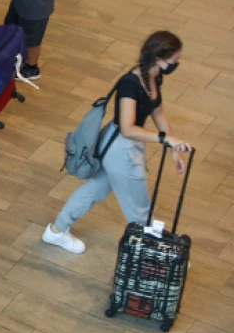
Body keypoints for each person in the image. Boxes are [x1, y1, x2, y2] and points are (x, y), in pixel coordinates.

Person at [43, 31, 192, 254]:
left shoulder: (153, 76)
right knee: (139, 209)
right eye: (174, 61)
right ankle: (150, 256)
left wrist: (172, 149)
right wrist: (164, 138)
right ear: (159, 59)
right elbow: (128, 128)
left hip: (120, 147)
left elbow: (158, 112)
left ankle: (56, 231)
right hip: (122, 150)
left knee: (95, 189)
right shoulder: (130, 85)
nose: (176, 64)